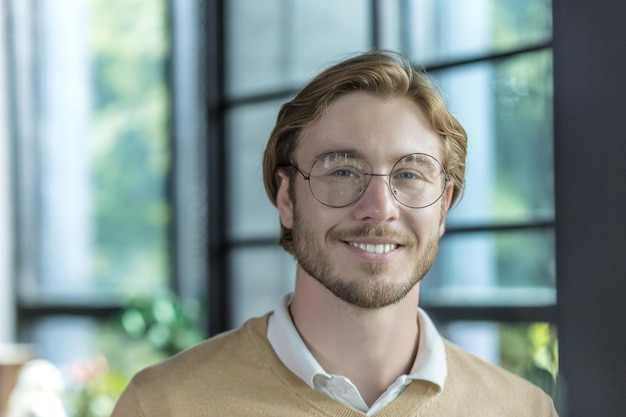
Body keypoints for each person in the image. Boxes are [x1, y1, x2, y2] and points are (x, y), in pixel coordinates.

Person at [111, 50, 559, 416]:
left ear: (442, 205)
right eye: (343, 171)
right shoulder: (162, 405)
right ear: (286, 199)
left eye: (409, 174)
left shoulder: (523, 409)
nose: (379, 208)